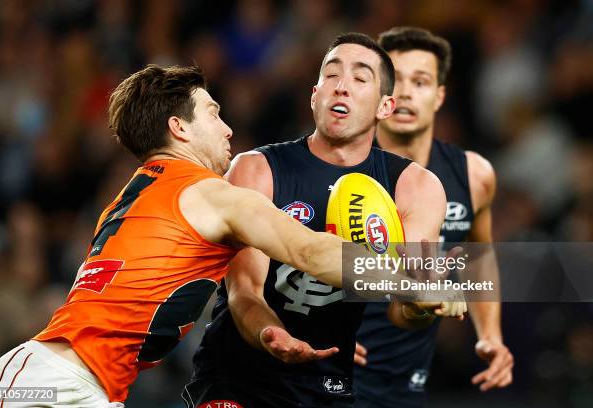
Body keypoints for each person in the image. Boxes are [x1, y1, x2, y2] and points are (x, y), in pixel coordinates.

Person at [0, 64, 393, 407]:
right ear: (178, 128)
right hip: (54, 387)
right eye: (214, 114)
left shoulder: (135, 196)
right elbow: (312, 250)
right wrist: (431, 276)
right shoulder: (209, 194)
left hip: (55, 384)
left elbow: (250, 289)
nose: (229, 129)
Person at [185, 33, 465, 408]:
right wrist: (271, 332)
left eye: (360, 78)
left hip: (327, 385)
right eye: (332, 75)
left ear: (386, 106)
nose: (343, 86)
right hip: (237, 377)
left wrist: (422, 304)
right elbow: (244, 290)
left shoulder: (415, 188)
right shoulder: (257, 169)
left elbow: (404, 305)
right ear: (315, 94)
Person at [353, 27, 514, 408]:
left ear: (439, 96)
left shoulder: (473, 175)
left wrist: (489, 334)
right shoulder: (337, 172)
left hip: (408, 382)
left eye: (421, 81)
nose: (406, 92)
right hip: (329, 374)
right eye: (395, 80)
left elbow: (478, 255)